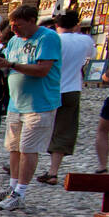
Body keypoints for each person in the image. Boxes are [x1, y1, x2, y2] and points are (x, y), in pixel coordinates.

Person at [0, 4, 63, 211]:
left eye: (18, 25)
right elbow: (10, 61)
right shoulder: (16, 40)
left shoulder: (48, 38)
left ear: (31, 21)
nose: (14, 30)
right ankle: (12, 188)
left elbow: (43, 69)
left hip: (40, 104)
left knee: (28, 149)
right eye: (12, 25)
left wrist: (11, 65)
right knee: (14, 148)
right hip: (16, 103)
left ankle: (20, 193)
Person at [37, 10, 97, 183]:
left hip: (49, 88)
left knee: (36, 126)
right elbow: (91, 56)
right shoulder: (85, 40)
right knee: (64, 130)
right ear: (76, 25)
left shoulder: (51, 39)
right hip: (72, 88)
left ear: (57, 25)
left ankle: (20, 164)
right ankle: (53, 172)